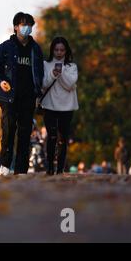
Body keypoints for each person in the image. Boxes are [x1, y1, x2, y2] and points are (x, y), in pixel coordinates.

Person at [0, 12, 44, 175]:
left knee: (25, 133)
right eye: (22, 24)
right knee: (8, 129)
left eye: (29, 25)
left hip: (28, 97)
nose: (26, 28)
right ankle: (5, 166)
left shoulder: (35, 49)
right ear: (15, 27)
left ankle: (21, 170)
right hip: (8, 96)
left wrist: (39, 91)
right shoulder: (4, 47)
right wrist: (0, 81)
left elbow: (40, 72)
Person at [41, 37, 79, 175]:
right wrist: (52, 74)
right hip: (49, 105)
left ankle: (60, 169)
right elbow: (43, 84)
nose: (59, 52)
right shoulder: (45, 64)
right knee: (51, 136)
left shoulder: (72, 67)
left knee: (63, 138)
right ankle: (50, 167)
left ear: (66, 51)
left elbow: (69, 85)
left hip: (67, 107)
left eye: (62, 50)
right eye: (56, 49)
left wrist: (61, 73)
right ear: (52, 50)